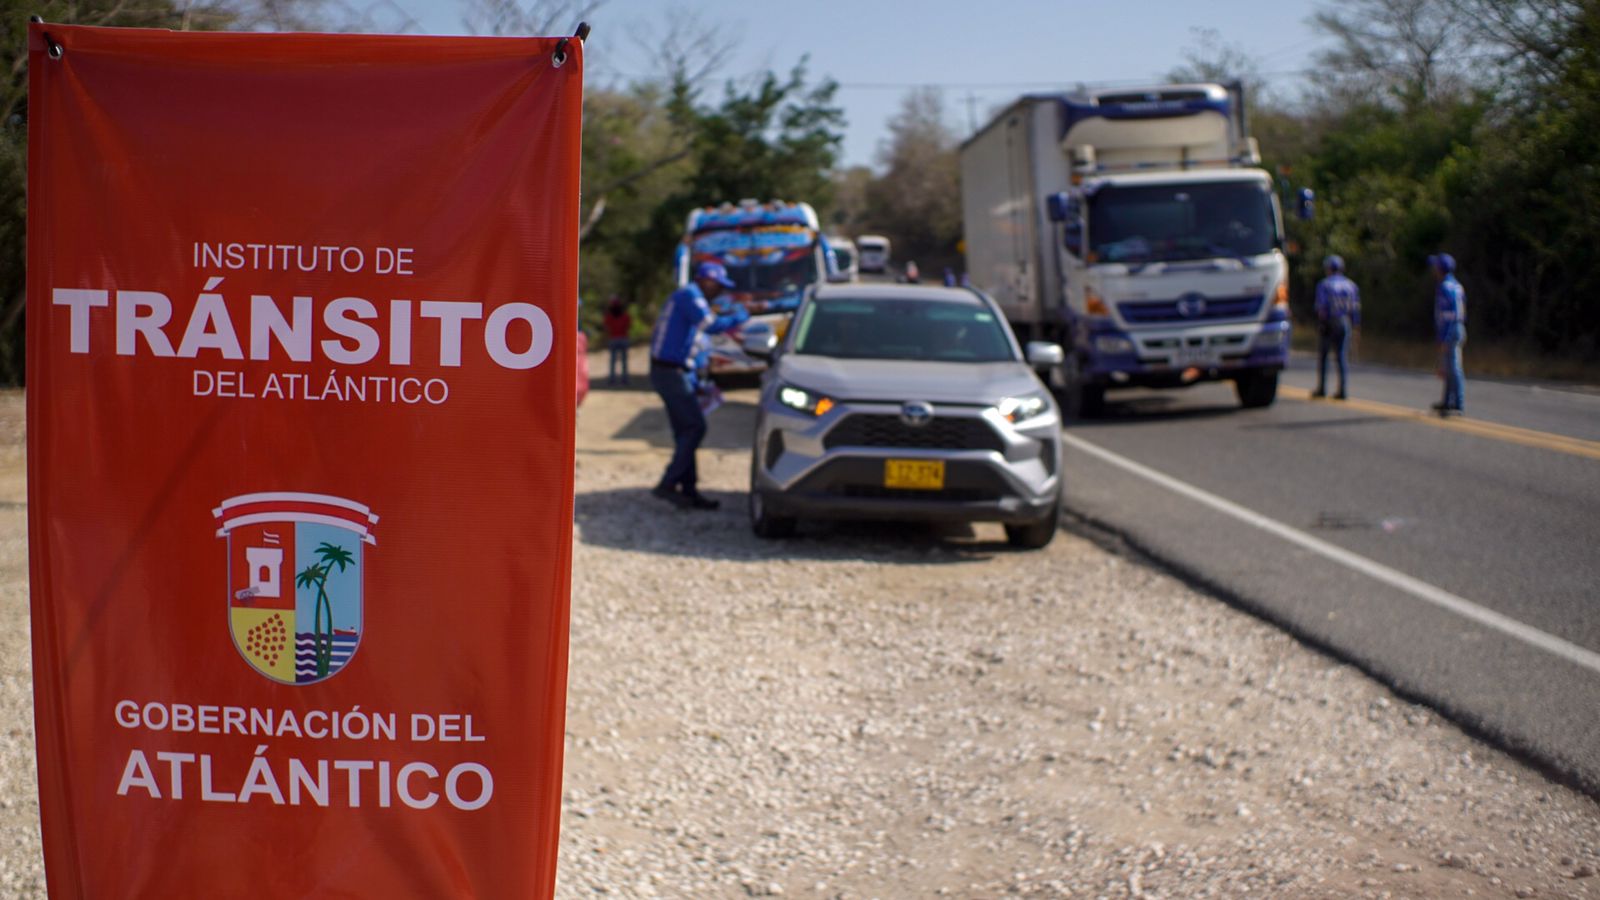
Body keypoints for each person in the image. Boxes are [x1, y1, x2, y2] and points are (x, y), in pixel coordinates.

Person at [648, 261, 747, 510]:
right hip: (669, 372)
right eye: (718, 286)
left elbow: (694, 344)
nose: (720, 291)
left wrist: (697, 380)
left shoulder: (690, 298)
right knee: (694, 427)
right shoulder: (689, 295)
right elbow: (711, 325)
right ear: (707, 280)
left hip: (675, 371)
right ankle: (668, 483)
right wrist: (741, 315)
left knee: (686, 431)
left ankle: (688, 490)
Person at [1312, 254, 1360, 399]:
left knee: (1324, 355)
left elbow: (1322, 307)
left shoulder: (1324, 284)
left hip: (1330, 321)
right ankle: (1343, 390)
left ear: (1328, 268)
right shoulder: (1351, 285)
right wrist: (1356, 326)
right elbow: (1355, 309)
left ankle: (1322, 388)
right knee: (1341, 356)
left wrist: (1322, 323)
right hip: (1345, 322)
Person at [1431, 253, 1467, 416]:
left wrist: (1443, 337)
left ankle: (1457, 403)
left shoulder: (1444, 287)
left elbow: (1446, 315)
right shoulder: (1457, 285)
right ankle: (1447, 401)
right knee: (1449, 366)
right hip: (1458, 326)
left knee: (1453, 367)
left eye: (1436, 266)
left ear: (1440, 268)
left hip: (1451, 328)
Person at [602, 296, 632, 386]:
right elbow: (628, 326)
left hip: (613, 339)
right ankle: (624, 380)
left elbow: (606, 328)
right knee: (624, 361)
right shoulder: (625, 315)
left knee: (613, 361)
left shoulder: (609, 316)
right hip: (623, 338)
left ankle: (612, 380)